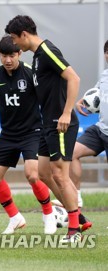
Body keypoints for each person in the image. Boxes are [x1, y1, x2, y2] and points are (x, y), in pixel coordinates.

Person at [5, 15, 82, 242]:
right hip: (47, 124)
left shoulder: (47, 51)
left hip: (60, 123)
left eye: (14, 38)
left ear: (24, 35)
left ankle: (74, 229)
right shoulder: (37, 57)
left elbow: (73, 78)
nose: (14, 43)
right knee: (43, 172)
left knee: (60, 174)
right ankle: (81, 217)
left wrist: (66, 113)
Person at [0, 36, 56, 235]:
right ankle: (15, 217)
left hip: (32, 133)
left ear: (19, 54)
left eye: (12, 55)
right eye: (4, 55)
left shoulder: (30, 73)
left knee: (33, 175)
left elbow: (46, 99)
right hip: (8, 134)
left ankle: (48, 214)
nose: (8, 60)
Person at [54, 40, 108, 228]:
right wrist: (82, 101)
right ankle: (76, 196)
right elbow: (97, 95)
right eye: (107, 52)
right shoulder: (104, 75)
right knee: (72, 153)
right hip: (101, 129)